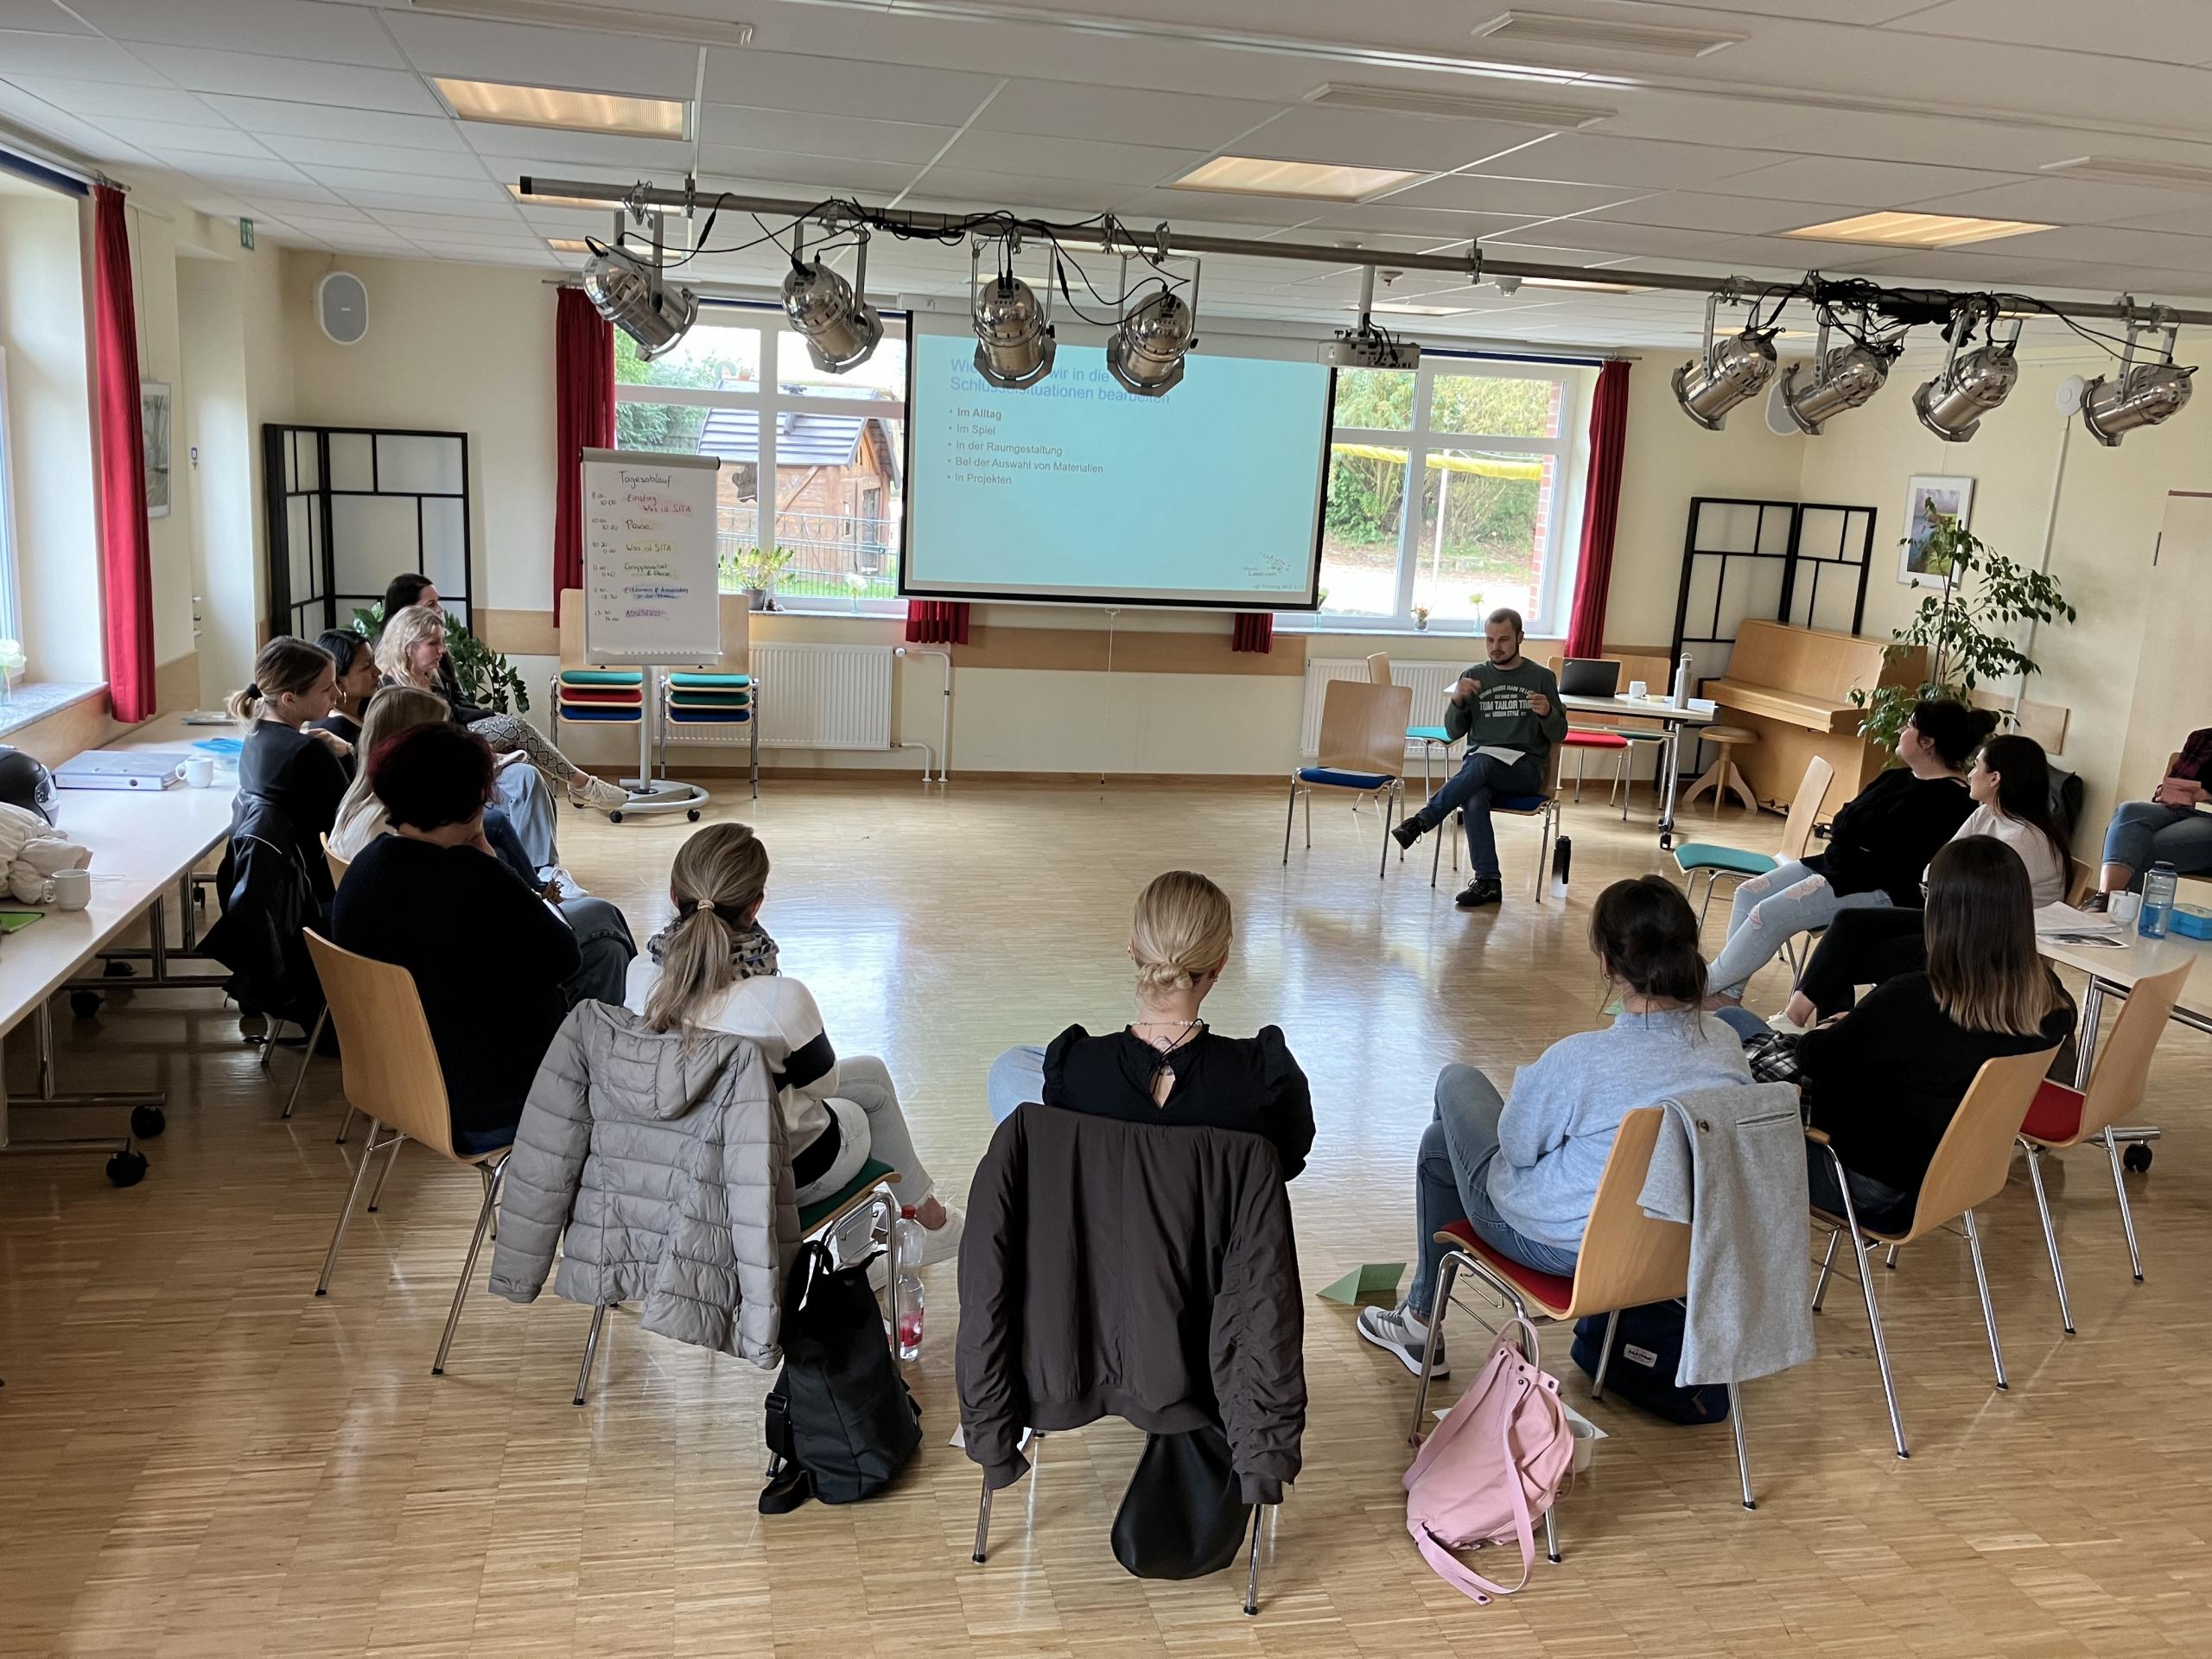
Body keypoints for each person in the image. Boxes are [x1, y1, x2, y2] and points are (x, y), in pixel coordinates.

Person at [1357, 876, 1750, 1376]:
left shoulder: (1582, 1060)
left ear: (1608, 963)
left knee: (1456, 1080)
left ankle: (1421, 1322)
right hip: (1675, 1249)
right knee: (1440, 1147)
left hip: (1559, 1248)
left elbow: (1516, 1148)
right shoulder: (1725, 1044)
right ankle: (1419, 1318)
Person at [626, 822, 962, 1262]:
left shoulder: (639, 976)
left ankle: (917, 1226)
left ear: (674, 896)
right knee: (857, 1114)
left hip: (675, 1167)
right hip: (773, 1177)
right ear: (755, 907)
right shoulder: (780, 1000)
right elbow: (823, 1085)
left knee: (871, 1076)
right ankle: (881, 1248)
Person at [332, 722, 635, 1153]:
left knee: (599, 929)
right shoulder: (475, 879)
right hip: (494, 1099)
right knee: (603, 939)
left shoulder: (366, 865)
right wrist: (492, 860)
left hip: (396, 1082)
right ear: (474, 797)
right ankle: (603, 1082)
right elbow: (564, 958)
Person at [1754, 837, 2072, 1234]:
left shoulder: (1913, 1000)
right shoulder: (2054, 1003)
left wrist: (1838, 1025)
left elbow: (1815, 1057)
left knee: (1734, 1040)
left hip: (1859, 1179)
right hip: (1956, 1177)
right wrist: (1866, 1025)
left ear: (1941, 909)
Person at [982, 871, 1314, 1181]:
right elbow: (1285, 1162)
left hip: (1104, 1218)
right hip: (1217, 1225)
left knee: (1013, 1066)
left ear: (1132, 948)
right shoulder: (1264, 1075)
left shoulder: (1075, 1067)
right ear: (1219, 964)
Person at [1703, 699, 1990, 1002]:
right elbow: (1844, 820)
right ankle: (1728, 993)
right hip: (1836, 865)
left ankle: (1702, 986)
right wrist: (1856, 832)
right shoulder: (1895, 777)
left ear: (1927, 742)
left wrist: (1855, 831)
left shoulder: (1953, 801)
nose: (1900, 729)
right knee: (1748, 893)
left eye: (1909, 725)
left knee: (1767, 914)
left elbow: (1888, 850)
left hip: (1874, 885)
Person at [1778, 733, 2072, 1026]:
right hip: (1955, 920)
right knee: (1847, 921)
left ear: (1995, 779)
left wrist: (1942, 885)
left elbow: (1967, 894)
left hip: (1983, 947)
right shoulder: (1987, 814)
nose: (1970, 774)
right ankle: (1798, 1019)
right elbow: (1936, 869)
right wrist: (1942, 885)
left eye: (1977, 766)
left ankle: (1818, 1030)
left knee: (1844, 957)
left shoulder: (2022, 839)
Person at [376, 592, 628, 813]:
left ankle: (576, 790)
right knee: (516, 730)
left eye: (442, 642)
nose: (443, 650)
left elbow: (456, 713)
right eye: (434, 644)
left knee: (525, 768)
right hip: (438, 760)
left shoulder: (431, 675)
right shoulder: (392, 691)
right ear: (408, 647)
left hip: (456, 743)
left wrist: (487, 722)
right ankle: (582, 784)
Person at [1389, 607, 1567, 909]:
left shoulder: (1541, 677)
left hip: (1525, 770)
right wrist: (1458, 701)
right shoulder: (1474, 676)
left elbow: (1559, 733)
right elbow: (1453, 731)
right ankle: (1488, 882)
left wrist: (1548, 712)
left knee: (1480, 763)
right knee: (1473, 797)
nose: (1495, 647)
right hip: (1481, 767)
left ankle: (1422, 821)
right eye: (1489, 640)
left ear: (1520, 638)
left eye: (1503, 639)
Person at [227, 636, 351, 887]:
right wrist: (349, 752)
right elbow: (352, 817)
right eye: (326, 689)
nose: (337, 694)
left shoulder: (253, 738)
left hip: (264, 881)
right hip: (312, 886)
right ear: (289, 699)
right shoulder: (308, 751)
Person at [2094, 724, 2212, 903]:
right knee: (2128, 810)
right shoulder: (2202, 738)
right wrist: (2165, 792)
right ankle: (2106, 900)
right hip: (2180, 810)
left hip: (2206, 820)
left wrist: (2208, 795)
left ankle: (2110, 905)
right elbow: (2178, 781)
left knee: (2134, 845)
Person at [312, 629, 380, 752]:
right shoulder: (335, 729)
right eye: (366, 666)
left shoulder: (368, 710)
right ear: (338, 680)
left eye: (374, 662)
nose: (378, 672)